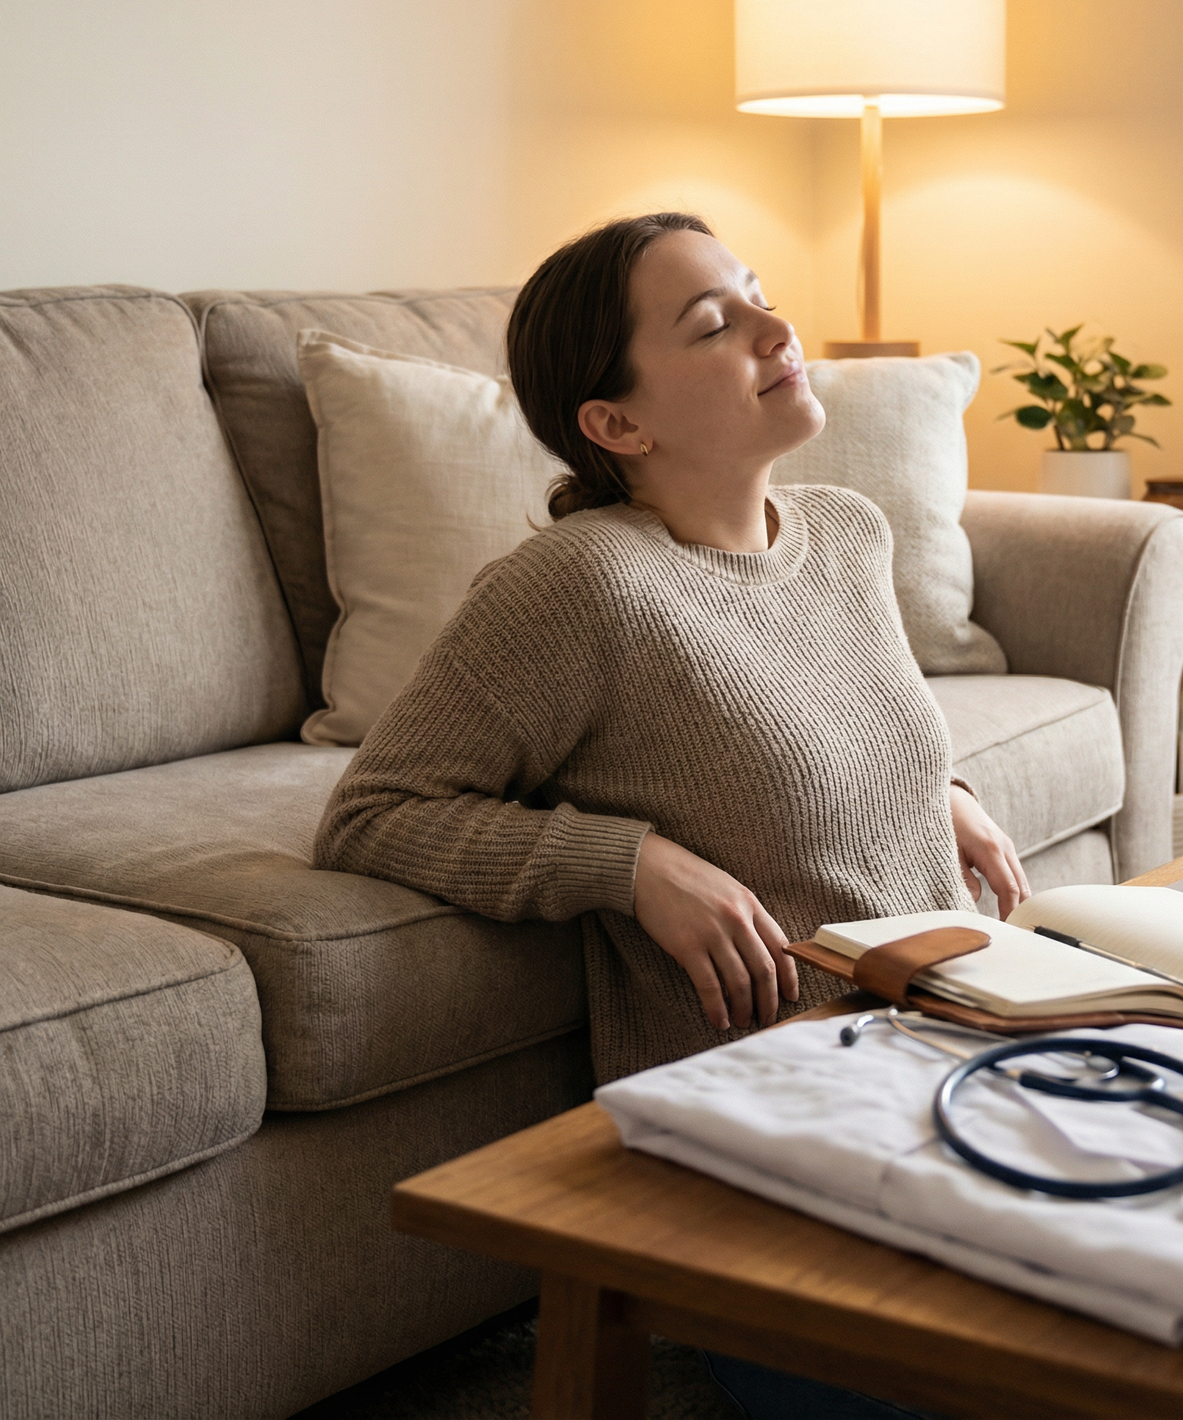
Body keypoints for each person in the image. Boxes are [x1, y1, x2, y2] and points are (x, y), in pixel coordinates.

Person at [313, 211, 1030, 1088]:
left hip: (960, 1015)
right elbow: (373, 814)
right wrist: (630, 864)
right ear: (617, 425)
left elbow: (837, 714)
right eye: (716, 325)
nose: (779, 332)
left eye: (759, 297)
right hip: (795, 1081)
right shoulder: (579, 584)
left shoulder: (850, 530)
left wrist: (930, 792)